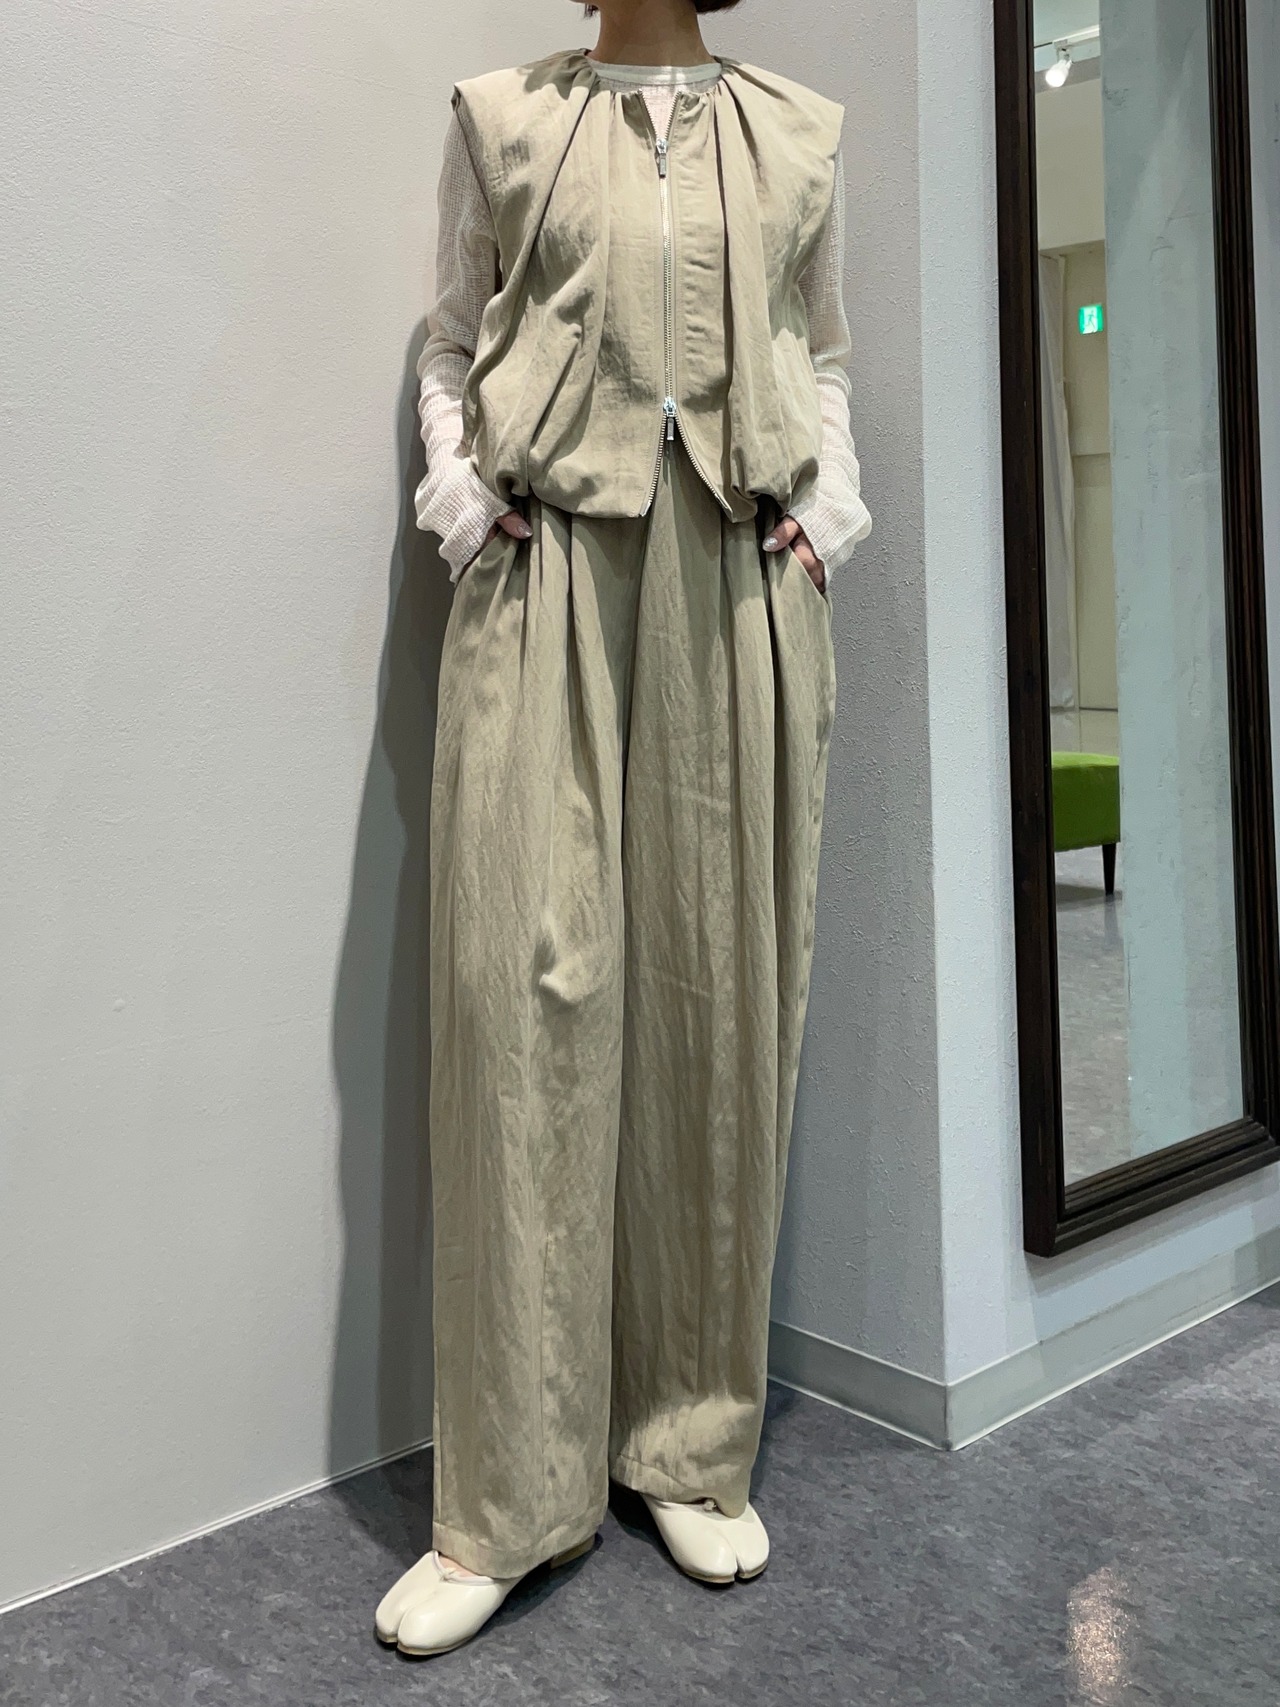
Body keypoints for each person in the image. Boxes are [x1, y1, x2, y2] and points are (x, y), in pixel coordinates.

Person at [376, 0, 872, 1658]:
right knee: (521, 1009)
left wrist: (829, 520)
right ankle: (507, 1495)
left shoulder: (799, 131)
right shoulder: (502, 117)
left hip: (738, 578)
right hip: (550, 573)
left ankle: (690, 1441)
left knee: (719, 1011)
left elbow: (822, 353)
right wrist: (462, 504)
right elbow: (452, 338)